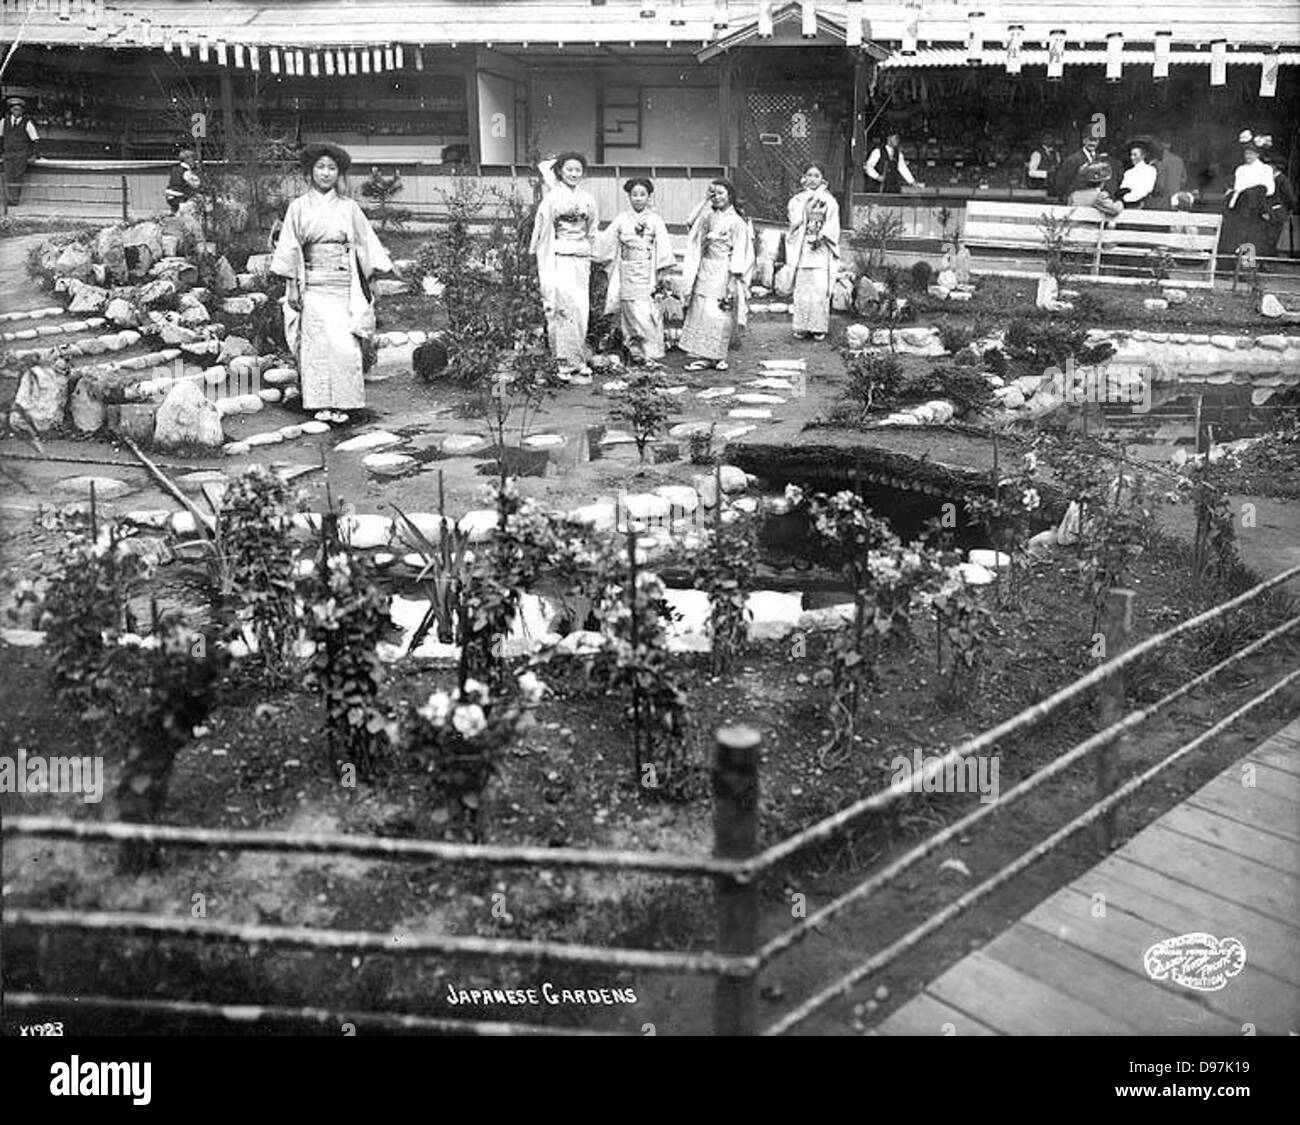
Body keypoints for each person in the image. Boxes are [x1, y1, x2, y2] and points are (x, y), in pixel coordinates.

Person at [270, 142, 394, 420]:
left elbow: (364, 244)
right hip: (313, 284)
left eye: (331, 168)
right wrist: (291, 286)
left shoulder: (348, 208)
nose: (325, 173)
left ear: (338, 173)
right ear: (311, 171)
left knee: (344, 345)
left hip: (342, 284)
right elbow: (290, 247)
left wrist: (371, 279)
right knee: (316, 345)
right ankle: (319, 404)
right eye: (320, 167)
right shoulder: (298, 207)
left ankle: (346, 403)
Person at [529, 151, 599, 379]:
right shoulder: (552, 198)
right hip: (558, 256)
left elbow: (592, 229)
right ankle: (562, 363)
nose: (573, 174)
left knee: (580, 309)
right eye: (569, 169)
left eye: (578, 170)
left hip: (580, 256)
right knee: (561, 307)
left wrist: (590, 251)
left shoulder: (588, 199)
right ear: (560, 171)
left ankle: (577, 360)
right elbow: (542, 226)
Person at [595, 177, 676, 368]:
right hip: (626, 268)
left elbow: (663, 246)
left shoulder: (655, 219)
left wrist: (661, 271)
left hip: (648, 269)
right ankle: (633, 350)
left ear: (649, 197)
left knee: (647, 311)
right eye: (634, 195)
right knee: (629, 309)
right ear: (629, 197)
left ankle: (651, 352)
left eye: (642, 195)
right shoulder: (622, 219)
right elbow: (606, 242)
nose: (638, 199)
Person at [680, 179, 754, 373]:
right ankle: (703, 356)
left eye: (721, 193)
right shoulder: (707, 217)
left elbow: (740, 251)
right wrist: (704, 201)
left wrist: (733, 278)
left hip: (723, 269)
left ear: (730, 195)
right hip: (705, 267)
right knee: (701, 310)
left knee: (718, 312)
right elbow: (689, 224)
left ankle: (718, 355)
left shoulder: (737, 221)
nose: (717, 197)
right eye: (714, 193)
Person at [786, 163, 841, 340]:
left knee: (819, 286)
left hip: (821, 247)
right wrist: (804, 211)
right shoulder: (798, 199)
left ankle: (818, 327)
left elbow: (833, 223)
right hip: (804, 245)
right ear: (804, 178)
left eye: (816, 175)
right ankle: (802, 326)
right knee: (803, 286)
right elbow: (794, 221)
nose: (812, 179)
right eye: (809, 175)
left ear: (822, 179)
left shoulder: (829, 200)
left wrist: (822, 236)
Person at [1220, 142, 1278, 264]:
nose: (1248, 156)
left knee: (1249, 238)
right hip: (1238, 206)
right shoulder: (1241, 169)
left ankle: (1246, 268)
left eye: (1251, 153)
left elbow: (1269, 189)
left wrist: (1253, 193)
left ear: (1257, 155)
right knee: (1234, 237)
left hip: (1254, 207)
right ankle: (1230, 267)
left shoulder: (1265, 169)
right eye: (1246, 153)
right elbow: (1237, 187)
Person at [1, 95, 40, 207]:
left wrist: (33, 155)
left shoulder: (27, 123)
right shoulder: (4, 122)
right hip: (8, 154)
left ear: (22, 110)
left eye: (19, 109)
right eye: (14, 109)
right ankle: (9, 199)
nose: (16, 111)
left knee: (18, 177)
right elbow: (0, 138)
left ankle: (14, 200)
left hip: (21, 155)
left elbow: (35, 140)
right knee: (8, 176)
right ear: (10, 110)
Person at [1055, 133, 1102, 203]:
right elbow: (1063, 182)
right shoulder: (1073, 159)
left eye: (1095, 141)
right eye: (1090, 140)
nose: (1092, 143)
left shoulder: (1100, 159)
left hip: (1096, 199)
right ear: (1084, 141)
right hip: (1077, 199)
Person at [1114, 142, 1157, 209]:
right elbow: (1123, 188)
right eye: (1131, 155)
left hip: (1144, 203)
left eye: (1135, 155)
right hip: (1127, 204)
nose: (1132, 157)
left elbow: (1147, 189)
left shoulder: (1150, 170)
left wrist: (1130, 197)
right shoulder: (1128, 172)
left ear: (1143, 156)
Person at [1152, 134, 1188, 208]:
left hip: (1161, 199)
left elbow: (1159, 184)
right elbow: (1184, 180)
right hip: (1176, 197)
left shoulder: (1157, 162)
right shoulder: (1179, 160)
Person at [164, 147, 203, 213]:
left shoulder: (176, 168)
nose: (194, 161)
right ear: (187, 159)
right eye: (193, 159)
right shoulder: (186, 171)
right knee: (199, 200)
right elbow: (195, 184)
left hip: (170, 196)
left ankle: (177, 213)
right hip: (178, 197)